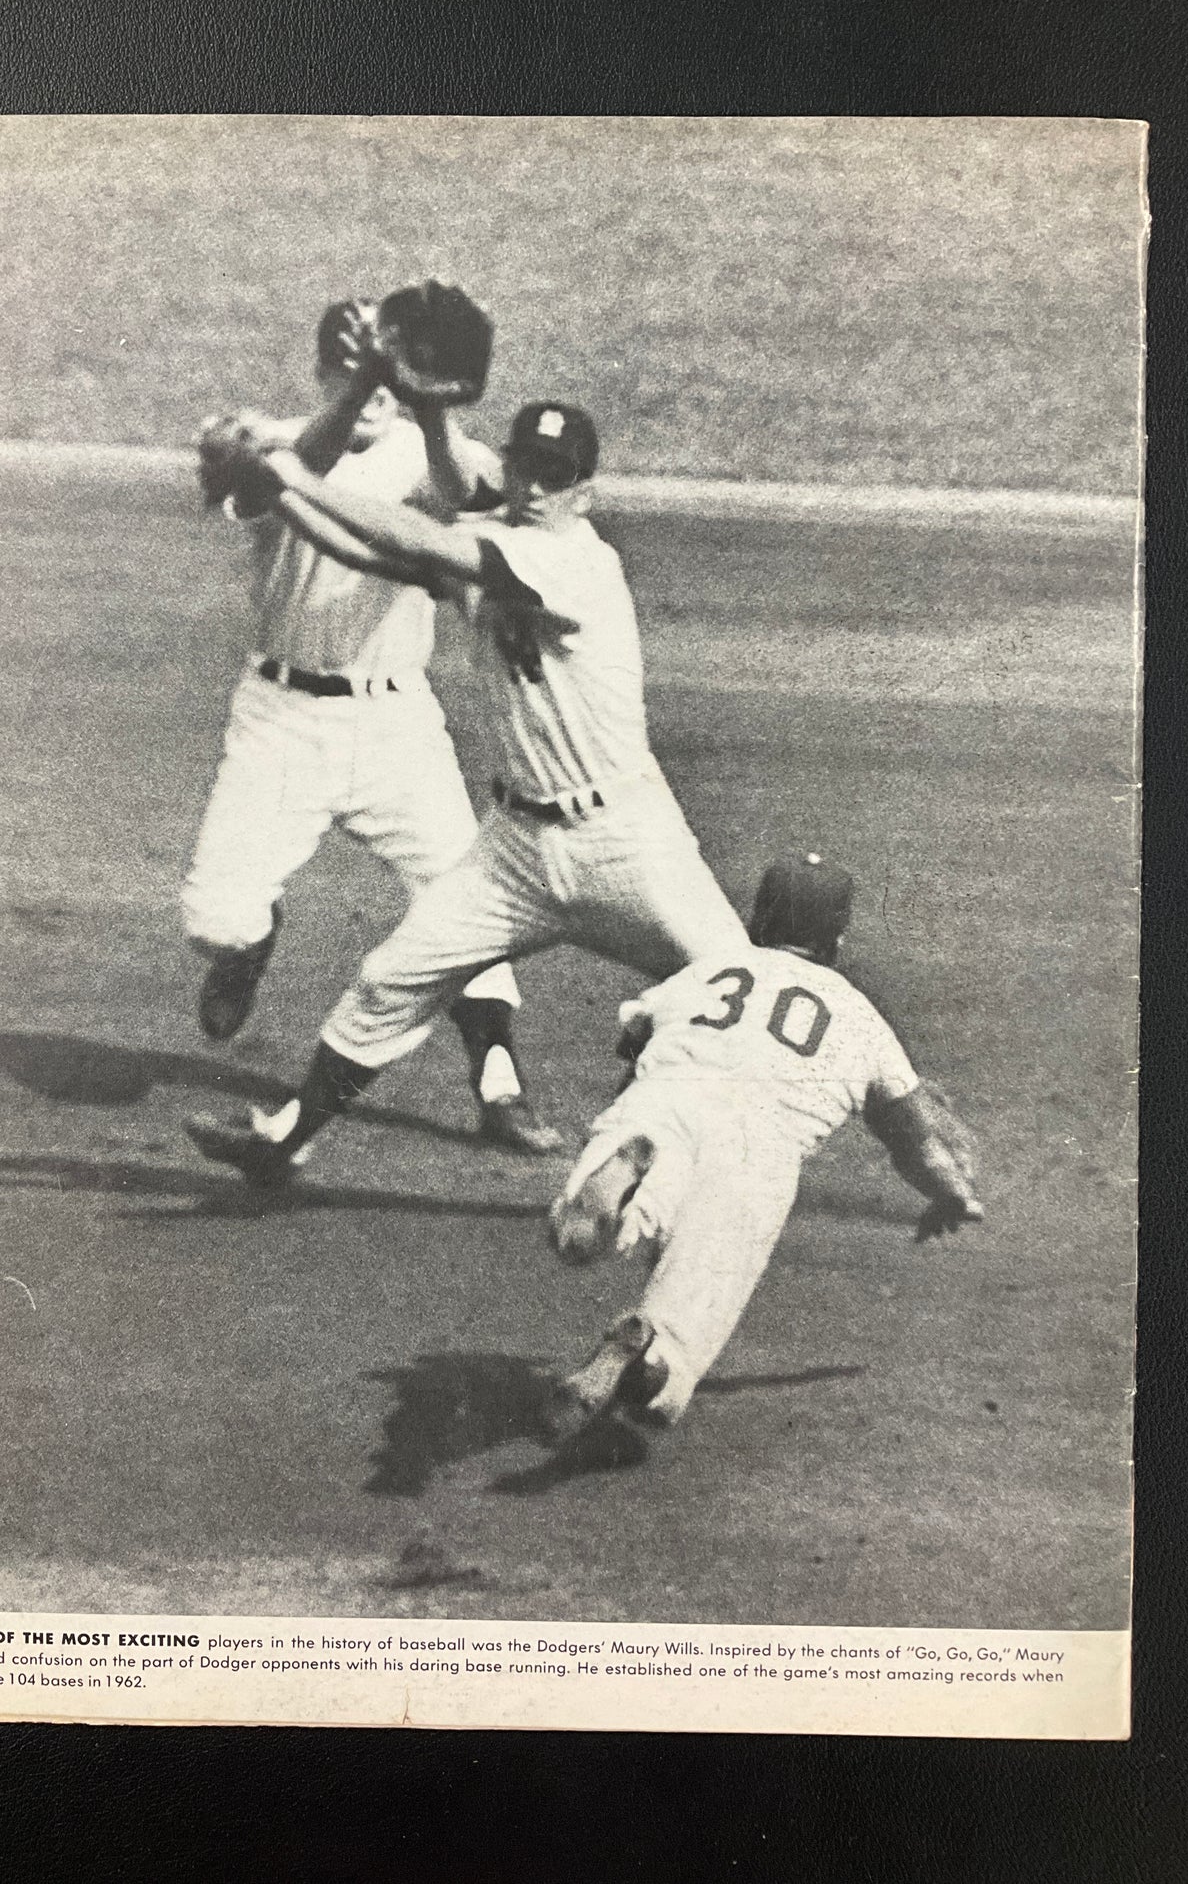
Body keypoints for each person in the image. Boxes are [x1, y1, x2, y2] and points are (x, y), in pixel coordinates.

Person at [184, 398, 754, 1192]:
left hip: (623, 836)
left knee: (740, 986)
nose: (535, 487)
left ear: (584, 491)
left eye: (555, 476)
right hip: (514, 849)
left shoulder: (575, 561)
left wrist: (291, 474)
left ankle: (841, 1123)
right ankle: (286, 1143)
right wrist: (276, 492)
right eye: (524, 467)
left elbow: (417, 537)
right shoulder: (499, 540)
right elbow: (375, 552)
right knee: (388, 982)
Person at [182, 300, 559, 1154]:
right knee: (215, 920)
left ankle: (498, 1082)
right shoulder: (276, 441)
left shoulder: (434, 448)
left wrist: (426, 402)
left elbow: (464, 495)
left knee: (464, 899)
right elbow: (289, 470)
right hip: (281, 721)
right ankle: (248, 947)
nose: (380, 386)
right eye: (359, 369)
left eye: (396, 367)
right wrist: (364, 384)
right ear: (325, 372)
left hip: (396, 723)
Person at [544, 853, 983, 1440]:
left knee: (580, 1232)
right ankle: (647, 1349)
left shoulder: (711, 971)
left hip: (666, 1100)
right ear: (837, 939)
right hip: (758, 1150)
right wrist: (951, 1196)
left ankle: (617, 1197)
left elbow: (635, 1043)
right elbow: (917, 1142)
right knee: (686, 1323)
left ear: (758, 918)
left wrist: (625, 1117)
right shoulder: (860, 1018)